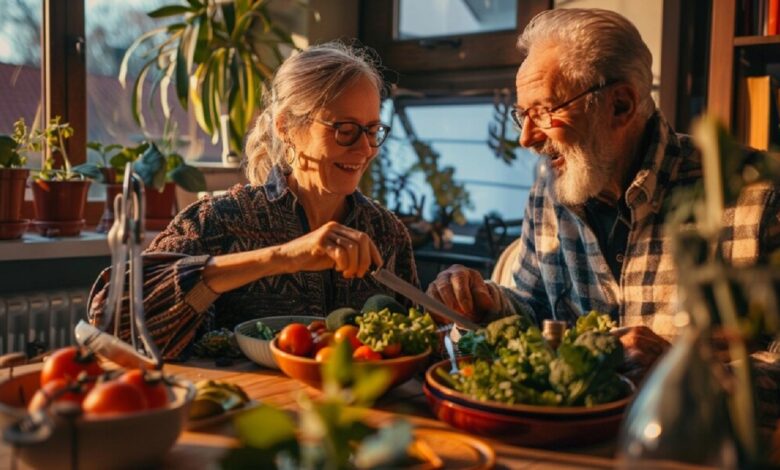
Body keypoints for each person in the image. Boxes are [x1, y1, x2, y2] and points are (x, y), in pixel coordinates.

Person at [427, 8, 779, 421]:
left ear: (620, 105)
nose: (526, 138)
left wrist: (687, 375)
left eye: (544, 112)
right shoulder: (551, 188)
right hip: (568, 441)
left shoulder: (755, 194)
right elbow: (533, 307)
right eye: (522, 114)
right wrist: (487, 303)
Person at [88, 42, 418, 359]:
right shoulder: (218, 223)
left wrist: (450, 304)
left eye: (373, 130)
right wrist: (281, 257)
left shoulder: (386, 234)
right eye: (344, 130)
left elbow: (420, 344)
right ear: (286, 126)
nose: (366, 149)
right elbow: (111, 321)